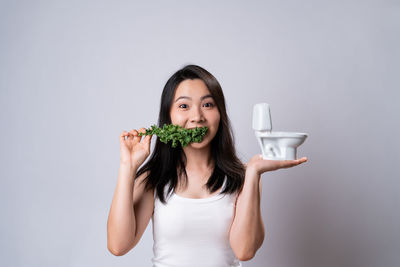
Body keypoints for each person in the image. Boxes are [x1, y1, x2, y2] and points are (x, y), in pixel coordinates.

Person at [107, 65, 307, 266]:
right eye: (184, 106)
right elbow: (118, 245)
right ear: (168, 117)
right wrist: (128, 166)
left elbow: (245, 250)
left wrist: (253, 173)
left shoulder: (243, 177)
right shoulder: (154, 178)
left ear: (220, 114)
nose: (197, 117)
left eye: (208, 105)